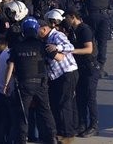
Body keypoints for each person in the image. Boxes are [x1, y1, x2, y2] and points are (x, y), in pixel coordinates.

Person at [3, 17, 57, 144]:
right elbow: (57, 58)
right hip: (41, 84)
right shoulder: (42, 45)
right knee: (45, 111)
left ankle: (21, 139)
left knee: (22, 114)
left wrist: (6, 84)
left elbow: (10, 65)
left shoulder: (17, 47)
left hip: (24, 84)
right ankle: (52, 137)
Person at [38, 12, 79, 142]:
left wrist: (57, 47)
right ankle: (63, 130)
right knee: (58, 103)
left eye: (37, 31)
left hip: (67, 72)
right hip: (56, 75)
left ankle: (67, 134)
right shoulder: (45, 39)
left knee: (64, 103)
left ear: (44, 29)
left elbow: (70, 47)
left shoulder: (57, 35)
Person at [63, 8, 100, 137]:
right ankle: (82, 124)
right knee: (80, 97)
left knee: (90, 97)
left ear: (73, 17)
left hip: (90, 68)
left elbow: (89, 49)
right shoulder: (74, 30)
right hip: (81, 68)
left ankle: (94, 125)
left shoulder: (84, 29)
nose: (65, 20)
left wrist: (71, 51)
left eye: (66, 17)